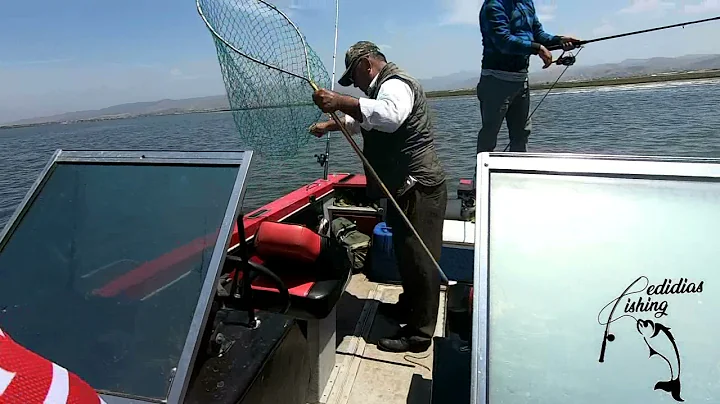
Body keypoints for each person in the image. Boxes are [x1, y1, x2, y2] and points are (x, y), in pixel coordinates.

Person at [310, 41, 447, 353]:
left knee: (420, 259)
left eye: (353, 78)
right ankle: (409, 306)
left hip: (419, 186)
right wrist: (327, 125)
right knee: (406, 254)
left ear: (365, 64)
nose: (354, 85)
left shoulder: (396, 84)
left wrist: (340, 99)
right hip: (402, 188)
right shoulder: (377, 91)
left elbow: (389, 116)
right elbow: (360, 120)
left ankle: (419, 334)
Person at [477, 0, 580, 154]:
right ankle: (480, 174)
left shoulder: (526, 3)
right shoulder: (494, 5)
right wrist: (537, 48)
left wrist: (559, 41)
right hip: (496, 80)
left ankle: (517, 174)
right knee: (490, 134)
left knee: (522, 133)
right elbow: (503, 41)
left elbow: (538, 34)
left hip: (521, 80)